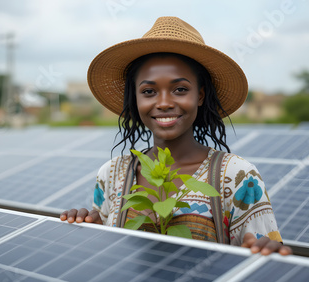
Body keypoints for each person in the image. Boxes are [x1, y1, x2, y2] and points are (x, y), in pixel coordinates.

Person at [61, 16, 291, 256]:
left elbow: (262, 257)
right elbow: (109, 261)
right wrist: (91, 231)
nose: (163, 103)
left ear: (200, 96)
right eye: (149, 91)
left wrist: (267, 253)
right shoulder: (110, 174)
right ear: (136, 99)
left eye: (180, 89)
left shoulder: (238, 177)